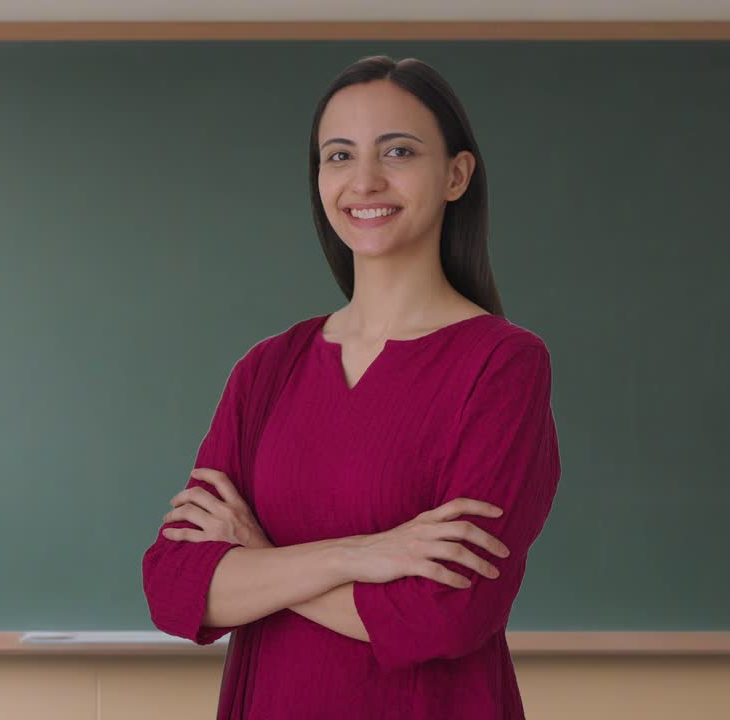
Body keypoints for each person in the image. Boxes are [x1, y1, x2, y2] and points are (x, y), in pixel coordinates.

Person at [141, 54, 561, 719]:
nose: (364, 180)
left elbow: (447, 616)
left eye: (397, 151)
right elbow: (175, 587)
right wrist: (363, 555)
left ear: (456, 175)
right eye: (338, 156)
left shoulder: (503, 365)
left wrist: (262, 564)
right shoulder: (267, 369)